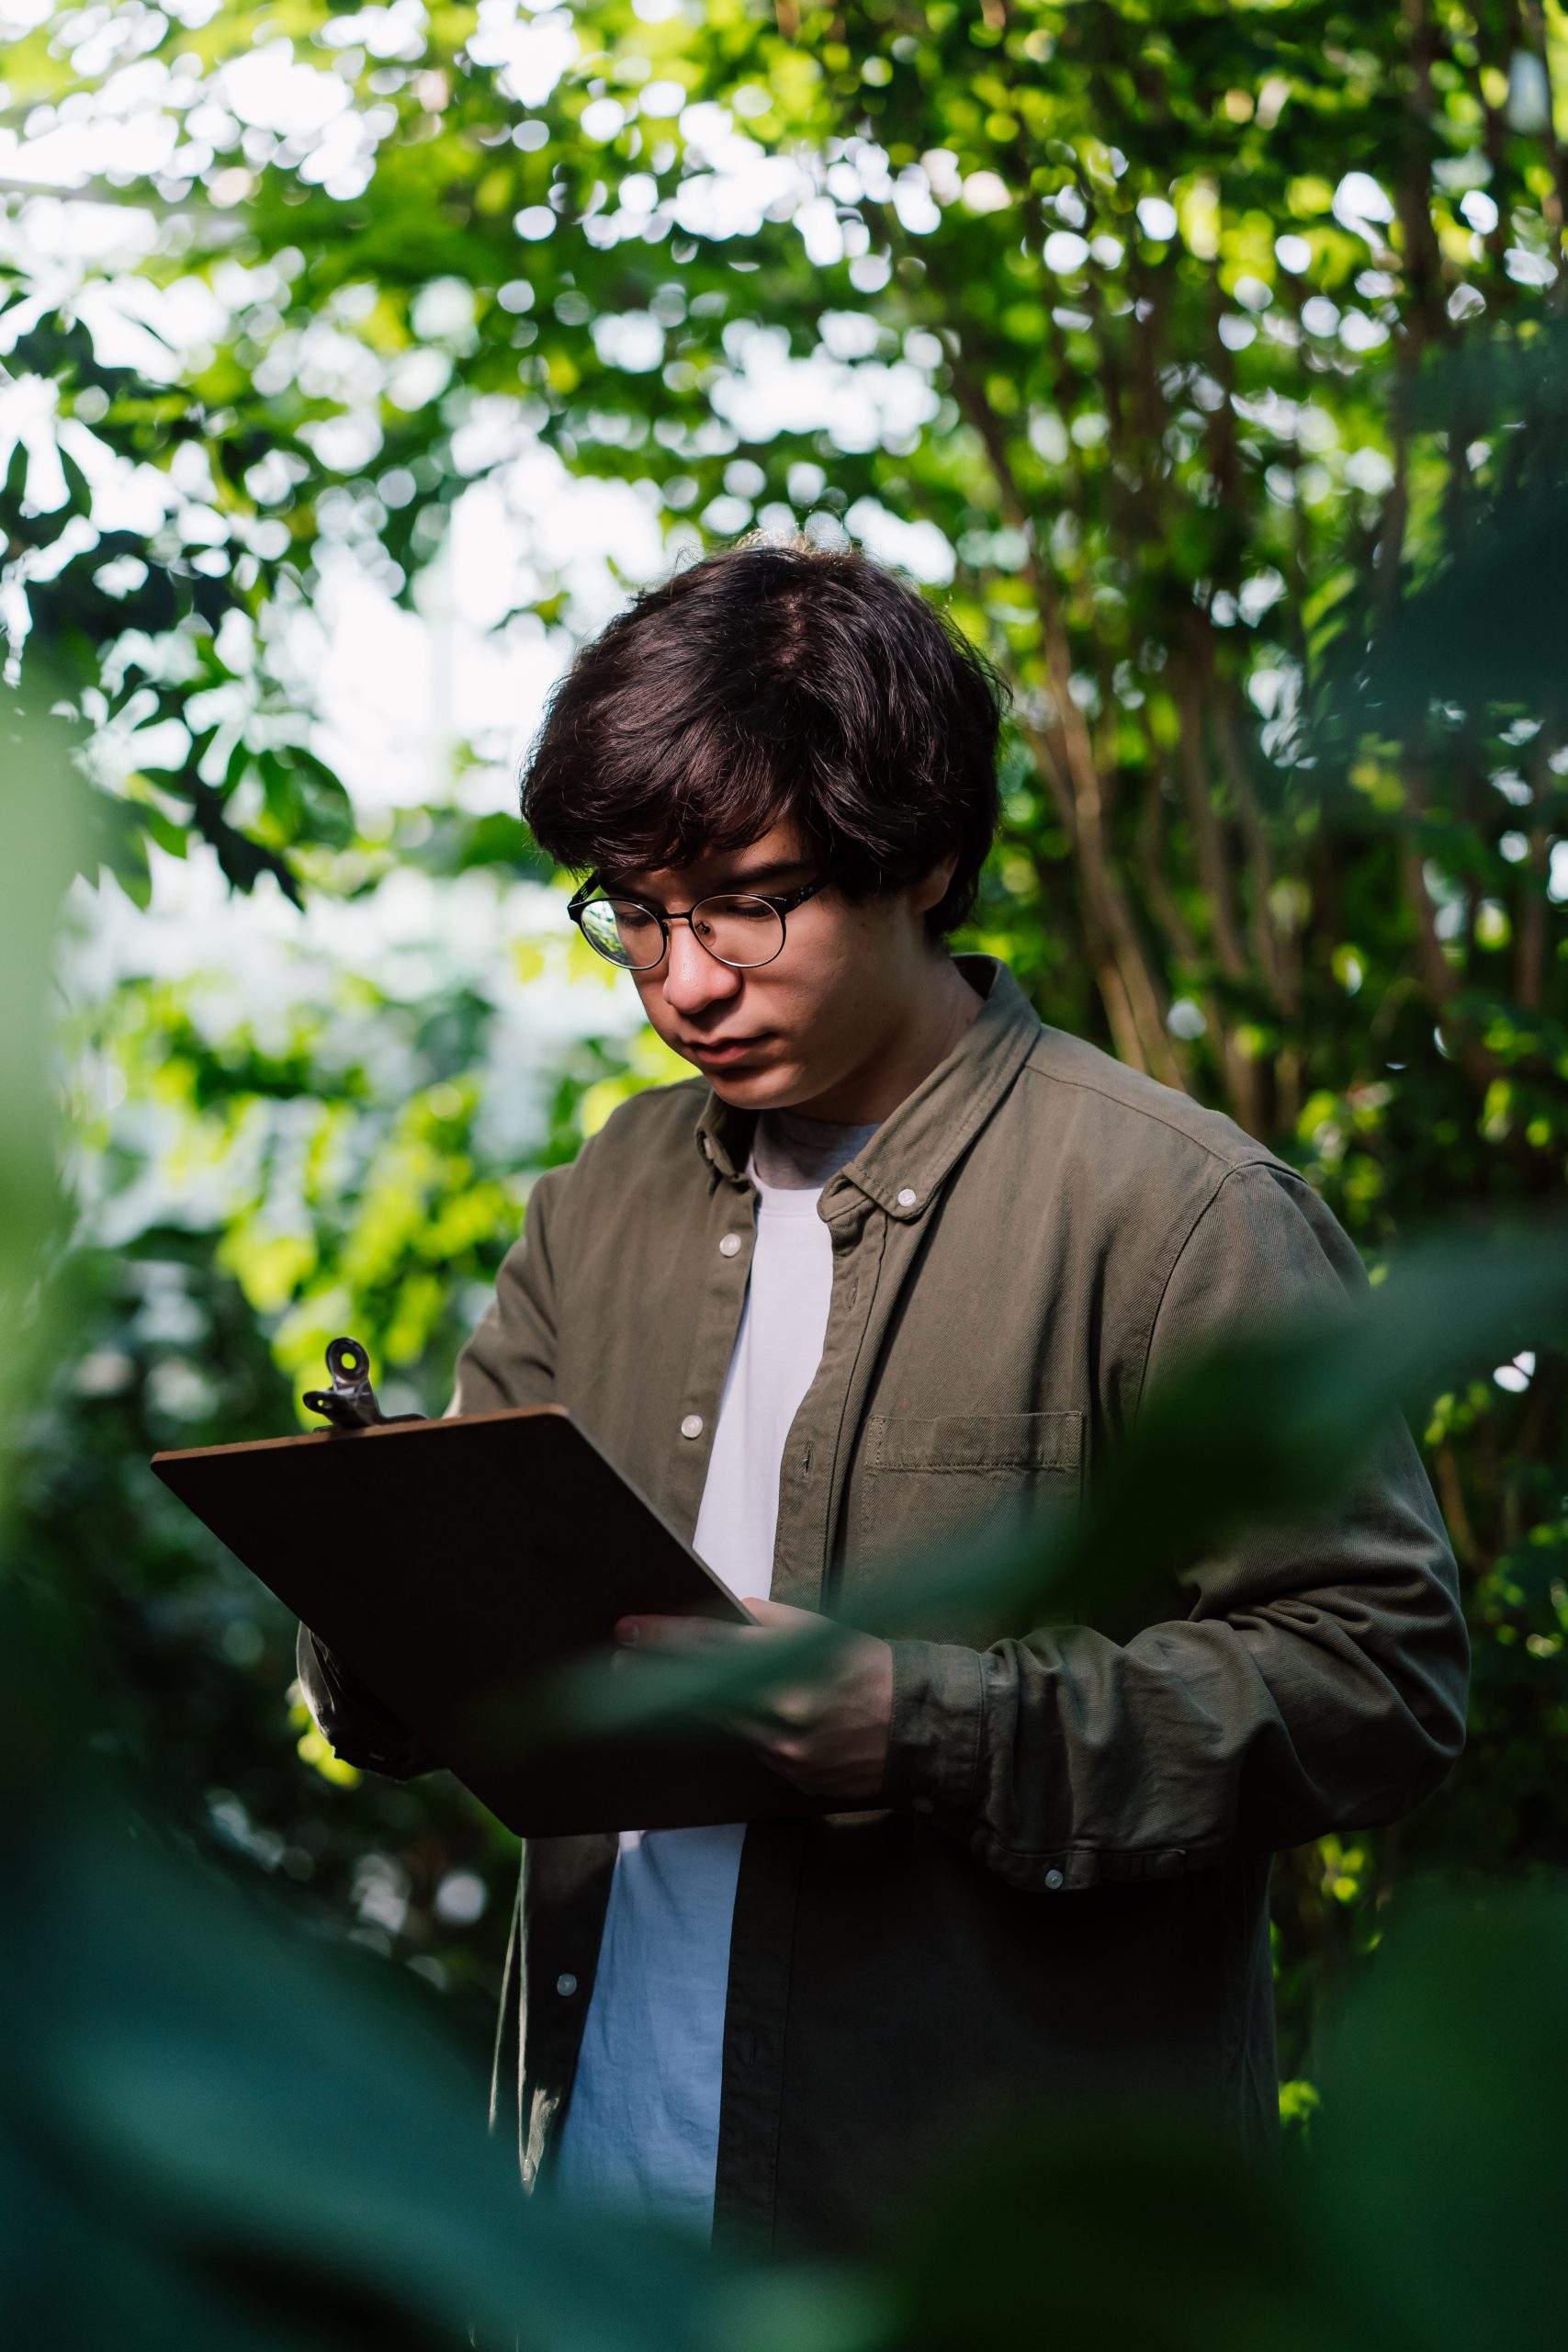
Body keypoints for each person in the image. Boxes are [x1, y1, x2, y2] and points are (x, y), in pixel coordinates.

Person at [299, 540, 1469, 2255]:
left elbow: (1385, 1675)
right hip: (592, 2234)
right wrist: (378, 1587)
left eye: (748, 901)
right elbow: (449, 1684)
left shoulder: (1178, 1211)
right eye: (636, 911)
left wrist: (928, 1725)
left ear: (923, 860)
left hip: (973, 2261)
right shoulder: (603, 1196)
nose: (684, 979)